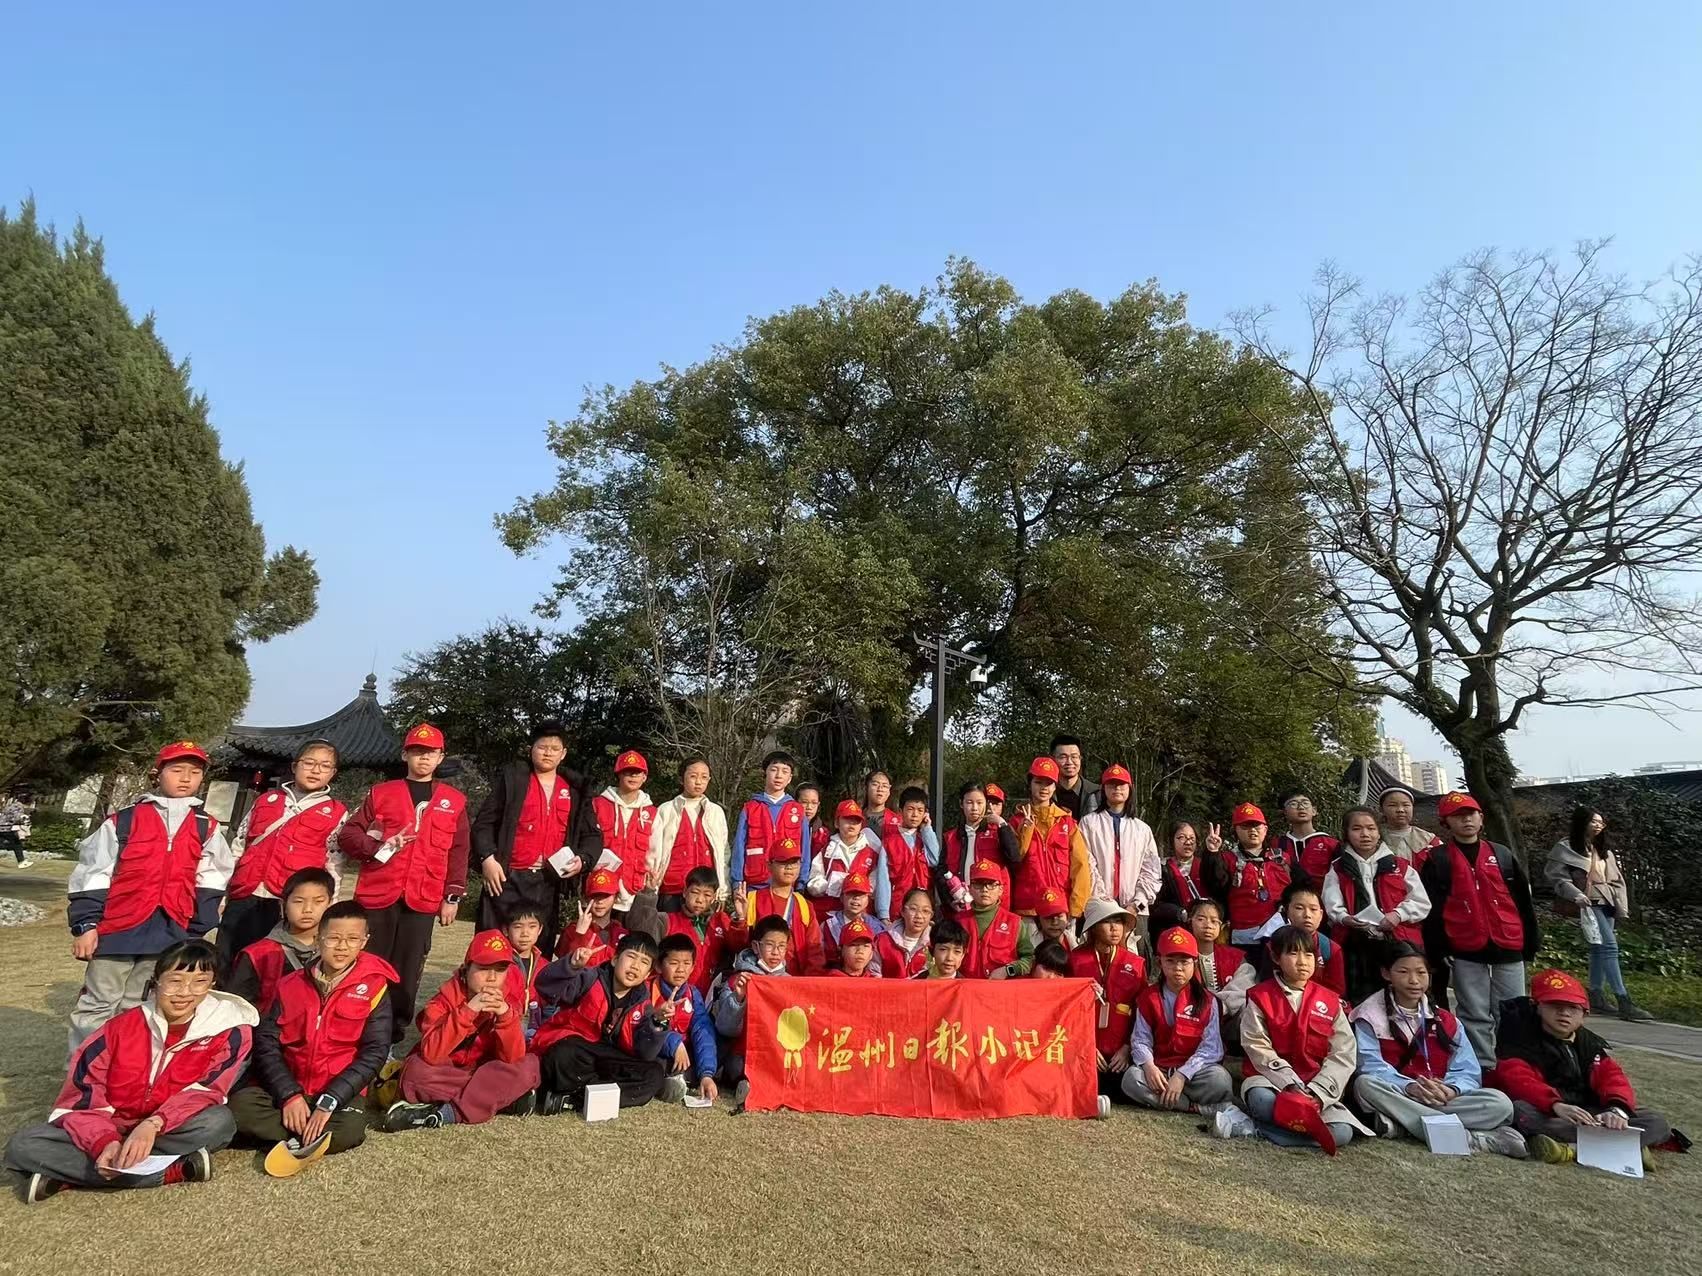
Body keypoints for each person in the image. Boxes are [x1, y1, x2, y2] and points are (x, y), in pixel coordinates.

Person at [4, 941, 255, 1203]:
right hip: (110, 1122)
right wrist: (105, 1142)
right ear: (156, 981)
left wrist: (153, 1124)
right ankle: (173, 1170)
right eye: (175, 981)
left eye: (199, 982)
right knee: (23, 1146)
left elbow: (207, 1091)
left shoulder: (230, 1030)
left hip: (169, 1126)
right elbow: (82, 1099)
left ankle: (69, 1174)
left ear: (212, 984)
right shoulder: (117, 1029)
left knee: (218, 1123)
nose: (184, 992)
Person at [66, 740, 235, 1052]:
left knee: (140, 1004)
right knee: (98, 1003)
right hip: (117, 926)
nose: (186, 778)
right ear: (158, 774)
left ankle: (125, 1066)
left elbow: (213, 875)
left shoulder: (206, 827)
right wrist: (86, 925)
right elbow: (93, 872)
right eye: (177, 770)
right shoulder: (124, 821)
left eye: (195, 772)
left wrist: (197, 926)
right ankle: (84, 1072)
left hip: (169, 928)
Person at [336, 723, 470, 1048]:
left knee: (408, 969)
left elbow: (459, 851)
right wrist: (378, 846)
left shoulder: (454, 800)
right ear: (404, 755)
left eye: (430, 752)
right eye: (416, 751)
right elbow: (349, 835)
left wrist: (452, 896)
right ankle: (354, 1028)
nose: (423, 758)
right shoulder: (381, 793)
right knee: (368, 963)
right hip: (378, 892)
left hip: (424, 896)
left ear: (441, 757)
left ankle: (391, 1038)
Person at [230, 901, 398, 1156]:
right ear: (319, 938)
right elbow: (266, 1042)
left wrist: (331, 1099)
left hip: (339, 1091)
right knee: (239, 1109)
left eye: (352, 939)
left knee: (349, 1130)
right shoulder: (289, 984)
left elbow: (375, 1052)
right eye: (333, 938)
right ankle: (306, 1136)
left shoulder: (376, 988)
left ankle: (293, 1135)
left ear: (364, 941)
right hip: (289, 1084)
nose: (342, 947)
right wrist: (288, 1095)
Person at [1350, 942, 1526, 1158]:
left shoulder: (1446, 1020)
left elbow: (1468, 1070)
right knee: (1365, 1085)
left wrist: (1451, 1089)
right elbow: (1370, 1065)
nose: (1414, 980)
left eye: (1421, 972)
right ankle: (1468, 1137)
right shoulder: (1369, 1015)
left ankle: (1405, 1123)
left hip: (1440, 1097)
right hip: (1400, 1092)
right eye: (1403, 972)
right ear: (1386, 974)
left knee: (1501, 1104)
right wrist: (1410, 1087)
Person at [1490, 968, 1675, 1168]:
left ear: (1584, 1014)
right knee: (1521, 1111)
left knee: (1656, 1122)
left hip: (1587, 1112)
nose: (1564, 1013)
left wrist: (1616, 1111)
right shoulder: (1519, 1039)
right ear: (1537, 1006)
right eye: (1555, 1005)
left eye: (1573, 1008)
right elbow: (1518, 1080)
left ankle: (1572, 1149)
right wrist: (1556, 1105)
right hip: (1551, 1110)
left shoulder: (1589, 1045)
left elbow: (1612, 1077)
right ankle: (1624, 1145)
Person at [1219, 925, 1371, 1151]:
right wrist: (1289, 1083)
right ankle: (1297, 1129)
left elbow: (1343, 1053)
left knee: (1342, 1132)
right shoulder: (1261, 996)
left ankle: (1257, 1129)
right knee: (1263, 1101)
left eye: (1308, 954)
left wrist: (1318, 1092)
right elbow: (1256, 1044)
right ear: (1275, 958)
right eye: (1293, 953)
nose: (1302, 962)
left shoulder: (1330, 1001)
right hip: (1272, 1081)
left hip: (1314, 1087)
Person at [1419, 791, 1540, 1062]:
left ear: (1481, 818)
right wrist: (1438, 950)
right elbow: (1433, 908)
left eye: (1471, 814)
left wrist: (1531, 942)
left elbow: (1522, 901)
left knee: (1513, 1009)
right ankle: (1482, 1064)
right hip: (1464, 945)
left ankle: (1514, 1063)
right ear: (1446, 823)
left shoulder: (1502, 854)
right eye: (1458, 816)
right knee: (1473, 1011)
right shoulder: (1438, 858)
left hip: (1508, 941)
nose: (1466, 821)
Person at [384, 929, 540, 1130]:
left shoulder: (508, 1000)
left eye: (500, 970)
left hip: (486, 1071)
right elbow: (432, 1054)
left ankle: (447, 1113)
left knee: (529, 1066)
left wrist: (505, 1016)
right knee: (416, 1072)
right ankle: (498, 1100)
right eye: (484, 968)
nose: (492, 978)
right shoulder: (443, 1001)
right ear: (466, 969)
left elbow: (512, 1058)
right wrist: (468, 1011)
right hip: (450, 1073)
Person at [470, 720, 600, 958]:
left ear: (563, 754)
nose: (548, 753)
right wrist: (487, 859)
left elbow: (592, 835)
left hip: (547, 882)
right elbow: (483, 824)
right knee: (492, 948)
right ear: (532, 749)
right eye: (542, 747)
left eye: (554, 748)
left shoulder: (575, 789)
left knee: (539, 951)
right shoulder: (513, 780)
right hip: (506, 878)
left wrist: (583, 860)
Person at [217, 739, 347, 967]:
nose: (316, 770)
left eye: (325, 766)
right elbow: (239, 845)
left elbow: (334, 863)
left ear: (333, 773)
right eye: (309, 763)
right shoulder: (265, 801)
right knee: (228, 958)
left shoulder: (336, 812)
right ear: (295, 766)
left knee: (274, 963)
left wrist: (329, 904)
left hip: (288, 900)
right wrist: (223, 894)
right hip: (246, 891)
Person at [531, 931, 671, 1113]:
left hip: (609, 1058)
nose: (635, 966)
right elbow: (545, 987)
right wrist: (571, 966)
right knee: (562, 1055)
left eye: (644, 962)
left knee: (654, 1074)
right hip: (578, 1049)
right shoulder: (589, 978)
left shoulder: (644, 1003)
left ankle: (574, 1099)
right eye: (631, 957)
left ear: (647, 974)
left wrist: (658, 1022)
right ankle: (591, 1092)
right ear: (615, 959)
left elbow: (645, 1054)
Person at [1544, 806, 1652, 1021]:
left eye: (1601, 822)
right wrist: (1575, 894)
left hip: (1607, 902)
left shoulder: (1604, 851)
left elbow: (1617, 880)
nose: (1598, 825)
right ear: (1582, 823)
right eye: (1594, 821)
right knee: (1609, 947)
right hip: (1588, 902)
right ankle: (1624, 1000)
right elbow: (1557, 877)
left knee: (1597, 949)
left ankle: (1596, 995)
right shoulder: (1565, 848)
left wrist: (1621, 906)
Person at [1321, 807, 1429, 1003]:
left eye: (1371, 828)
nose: (1365, 834)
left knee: (1401, 996)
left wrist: (1398, 914)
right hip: (1355, 944)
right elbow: (1331, 901)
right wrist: (1344, 918)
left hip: (1397, 941)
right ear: (1346, 833)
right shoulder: (1338, 868)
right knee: (1361, 998)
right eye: (1357, 829)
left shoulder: (1399, 865)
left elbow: (1421, 901)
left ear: (1379, 832)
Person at [1122, 926, 1234, 1114]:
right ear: (1159, 962)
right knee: (1131, 1079)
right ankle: (1192, 1107)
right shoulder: (1148, 998)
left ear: (1195, 963)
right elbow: (1140, 1039)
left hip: (1194, 1074)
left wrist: (1182, 1075)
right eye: (1171, 961)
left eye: (1184, 961)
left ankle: (1172, 1101)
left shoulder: (1208, 1001)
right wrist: (1149, 1067)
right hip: (1160, 1071)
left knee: (1220, 1080)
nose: (1178, 968)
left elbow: (1211, 1048)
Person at [225, 867, 334, 1014]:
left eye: (318, 901)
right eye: (298, 901)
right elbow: (237, 1007)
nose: (307, 909)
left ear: (330, 904)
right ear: (284, 905)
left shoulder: (340, 950)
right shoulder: (257, 954)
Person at [1068, 899, 1146, 1098]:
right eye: (1107, 921)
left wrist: (1127, 1048)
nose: (1114, 928)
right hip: (1082, 1049)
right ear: (1093, 927)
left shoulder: (1136, 963)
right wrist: (1085, 1046)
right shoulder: (1075, 960)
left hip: (1121, 1054)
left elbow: (1142, 1013)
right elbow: (1067, 1012)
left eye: (1118, 921)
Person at [712, 915, 794, 1104]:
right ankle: (749, 1085)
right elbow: (725, 1028)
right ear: (756, 947)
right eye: (770, 945)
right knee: (737, 1066)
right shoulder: (739, 980)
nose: (776, 952)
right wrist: (738, 998)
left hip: (776, 1051)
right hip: (743, 1052)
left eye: (781, 946)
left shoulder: (790, 983)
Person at [1080, 764, 1160, 950]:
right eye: (1112, 784)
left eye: (1122, 785)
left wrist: (1137, 904)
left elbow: (1151, 871)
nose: (1117, 789)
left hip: (1135, 909)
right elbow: (1086, 864)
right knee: (1099, 956)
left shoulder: (1142, 829)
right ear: (1103, 789)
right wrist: (1103, 900)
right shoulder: (1088, 823)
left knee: (1133, 959)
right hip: (1100, 907)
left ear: (1130, 789)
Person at [1009, 757, 1092, 931]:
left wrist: (1076, 908)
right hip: (1027, 907)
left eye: (1049, 783)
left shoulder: (1067, 823)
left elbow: (1081, 867)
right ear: (1030, 784)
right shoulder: (1016, 821)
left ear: (1055, 786)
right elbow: (1014, 860)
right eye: (1038, 782)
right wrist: (1026, 829)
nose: (1044, 788)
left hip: (1060, 907)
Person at [625, 865, 733, 996]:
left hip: (710, 996)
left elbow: (739, 944)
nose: (699, 900)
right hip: (672, 995)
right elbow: (641, 931)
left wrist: (740, 918)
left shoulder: (720, 921)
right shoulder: (668, 920)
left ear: (714, 897)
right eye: (695, 892)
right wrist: (648, 893)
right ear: (685, 892)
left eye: (707, 895)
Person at [727, 839, 825, 975]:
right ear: (769, 865)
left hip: (794, 980)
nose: (789, 867)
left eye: (794, 862)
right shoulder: (752, 900)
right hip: (760, 978)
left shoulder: (805, 906)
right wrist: (740, 919)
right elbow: (738, 947)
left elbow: (815, 951)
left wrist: (810, 982)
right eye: (783, 862)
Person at [648, 756, 729, 911]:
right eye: (693, 776)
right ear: (681, 778)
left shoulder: (715, 812)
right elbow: (654, 851)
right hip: (672, 889)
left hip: (705, 891)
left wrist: (723, 892)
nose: (698, 782)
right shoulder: (666, 810)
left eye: (704, 777)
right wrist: (651, 888)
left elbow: (723, 854)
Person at [652, 934, 719, 1103]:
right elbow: (644, 1028)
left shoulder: (693, 994)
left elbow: (702, 1031)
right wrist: (673, 1042)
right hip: (659, 1051)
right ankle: (671, 1082)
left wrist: (706, 1074)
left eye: (686, 963)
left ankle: (689, 1078)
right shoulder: (649, 990)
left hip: (685, 1055)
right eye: (674, 963)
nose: (680, 969)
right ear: (659, 966)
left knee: (708, 1048)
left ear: (693, 967)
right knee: (654, 1063)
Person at [730, 751, 805, 896]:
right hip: (754, 885)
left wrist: (801, 882)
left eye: (785, 771)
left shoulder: (797, 810)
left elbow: (804, 849)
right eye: (774, 770)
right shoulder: (750, 808)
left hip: (787, 886)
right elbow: (739, 846)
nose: (779, 776)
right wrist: (736, 882)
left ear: (790, 778)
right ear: (765, 773)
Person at [1252, 883, 1347, 997]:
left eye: (1313, 909)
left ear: (1321, 914)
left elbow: (1336, 993)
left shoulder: (1331, 949)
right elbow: (1266, 986)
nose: (1307, 915)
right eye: (1299, 908)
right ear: (1286, 911)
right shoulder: (1273, 945)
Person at [592, 749, 656, 909]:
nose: (633, 776)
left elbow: (655, 852)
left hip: (634, 890)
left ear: (644, 777)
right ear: (619, 774)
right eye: (628, 772)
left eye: (637, 772)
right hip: (601, 889)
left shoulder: (651, 812)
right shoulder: (598, 805)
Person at [939, 781, 1018, 910]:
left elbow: (1014, 857)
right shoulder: (950, 837)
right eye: (969, 802)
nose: (974, 808)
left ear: (986, 804)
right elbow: (941, 872)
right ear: (961, 804)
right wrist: (949, 901)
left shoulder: (998, 832)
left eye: (979, 803)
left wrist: (1002, 825)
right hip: (960, 905)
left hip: (995, 907)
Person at [1187, 898, 1253, 1051]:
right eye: (1201, 919)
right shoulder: (1182, 956)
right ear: (1190, 922)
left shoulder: (1234, 957)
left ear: (1221, 927)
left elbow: (1244, 987)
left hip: (1228, 1018)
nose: (1208, 925)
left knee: (1250, 1008)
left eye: (1214, 921)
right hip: (1193, 1016)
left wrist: (1220, 1006)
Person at [1223, 802, 1291, 946]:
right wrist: (1211, 854)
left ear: (1265, 829)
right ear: (1235, 830)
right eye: (1245, 826)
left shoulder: (1282, 858)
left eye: (1256, 826)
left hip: (1281, 932)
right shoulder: (1226, 859)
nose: (1252, 830)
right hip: (1244, 934)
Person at [806, 800, 889, 919]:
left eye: (856, 821)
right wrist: (829, 886)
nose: (852, 824)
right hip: (828, 913)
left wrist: (854, 887)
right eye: (847, 819)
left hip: (859, 915)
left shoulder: (872, 853)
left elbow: (874, 887)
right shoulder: (826, 850)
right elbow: (814, 881)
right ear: (837, 823)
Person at [956, 859, 1034, 979]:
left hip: (1001, 988)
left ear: (1001, 890)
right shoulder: (958, 921)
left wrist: (1008, 970)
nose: (985, 889)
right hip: (966, 987)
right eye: (978, 884)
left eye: (991, 884)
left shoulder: (1014, 923)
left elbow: (1030, 959)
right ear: (970, 889)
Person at [1150, 819, 1229, 933]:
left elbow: (1220, 886)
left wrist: (1213, 852)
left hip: (1208, 929)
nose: (1188, 842)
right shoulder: (1163, 868)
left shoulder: (1206, 864)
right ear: (1172, 840)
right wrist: (1178, 913)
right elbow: (1157, 905)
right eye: (1181, 837)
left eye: (1192, 838)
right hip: (1178, 930)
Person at [881, 786, 938, 919]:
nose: (915, 815)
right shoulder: (889, 842)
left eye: (920, 810)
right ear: (901, 811)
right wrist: (883, 914)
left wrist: (927, 829)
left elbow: (935, 860)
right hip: (898, 908)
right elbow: (883, 880)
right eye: (910, 809)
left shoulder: (925, 839)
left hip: (923, 910)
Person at [500, 903, 550, 1043]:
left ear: (540, 929)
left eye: (532, 926)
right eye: (518, 927)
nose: (525, 933)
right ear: (505, 930)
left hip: (536, 1028)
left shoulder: (545, 966)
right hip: (505, 1026)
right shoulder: (499, 963)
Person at [557, 868, 627, 965]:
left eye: (606, 896)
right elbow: (563, 967)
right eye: (595, 896)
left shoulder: (623, 934)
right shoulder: (571, 930)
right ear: (586, 898)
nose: (600, 901)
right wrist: (579, 935)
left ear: (616, 897)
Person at [1273, 791, 1338, 883]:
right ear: (1284, 812)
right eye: (1293, 804)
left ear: (1314, 811)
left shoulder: (1331, 844)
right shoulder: (1277, 844)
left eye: (1305, 803)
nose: (1301, 807)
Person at [821, 872, 882, 968]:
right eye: (851, 893)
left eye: (861, 894)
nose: (856, 898)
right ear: (842, 897)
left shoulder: (877, 928)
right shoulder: (827, 925)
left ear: (868, 899)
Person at [875, 888, 933, 978]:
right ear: (902, 911)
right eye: (913, 909)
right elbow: (874, 974)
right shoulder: (882, 941)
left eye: (925, 911)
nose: (919, 916)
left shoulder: (934, 944)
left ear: (931, 915)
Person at [1377, 784, 1440, 867]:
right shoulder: (1374, 838)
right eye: (1392, 805)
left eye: (1406, 805)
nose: (1400, 810)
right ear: (1381, 810)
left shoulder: (1429, 839)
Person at [1049, 734, 1100, 817]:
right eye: (1063, 757)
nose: (1069, 762)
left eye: (1074, 757)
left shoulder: (1097, 792)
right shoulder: (1045, 793)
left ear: (1080, 759)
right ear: (1052, 759)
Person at [857, 770, 903, 848]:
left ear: (889, 791)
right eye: (875, 784)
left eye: (885, 786)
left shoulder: (899, 821)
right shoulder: (856, 818)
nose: (880, 789)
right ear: (866, 788)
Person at [796, 782, 829, 878]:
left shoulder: (823, 833)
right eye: (804, 802)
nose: (809, 807)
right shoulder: (789, 829)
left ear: (818, 805)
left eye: (814, 803)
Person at [1, 790, 34, 868]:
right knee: (17, 843)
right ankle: (21, 862)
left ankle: (21, 861)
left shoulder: (12, 805)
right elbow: (17, 817)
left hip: (2, 826)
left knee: (6, 843)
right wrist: (24, 819)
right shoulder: (18, 806)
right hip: (5, 827)